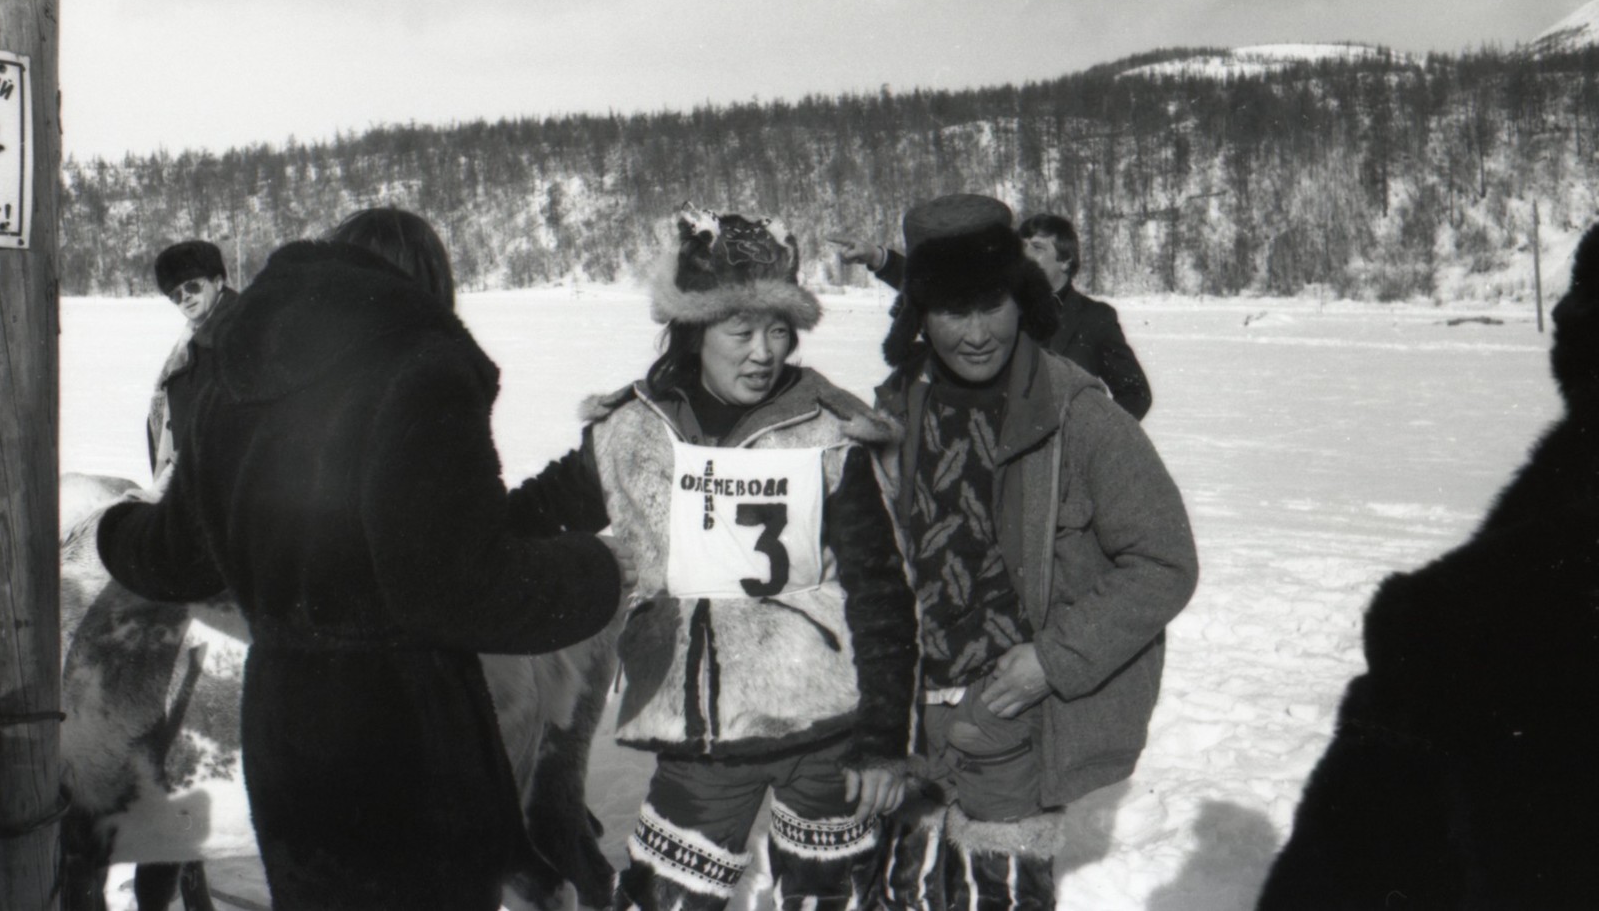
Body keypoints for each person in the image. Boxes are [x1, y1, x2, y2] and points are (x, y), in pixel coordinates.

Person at [95, 207, 628, 911]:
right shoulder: (419, 372)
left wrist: (111, 524)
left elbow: (177, 557)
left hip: (289, 738)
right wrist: (600, 571)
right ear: (426, 285)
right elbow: (458, 586)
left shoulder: (233, 384)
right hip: (405, 739)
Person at [506, 206, 919, 911]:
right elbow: (534, 512)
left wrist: (883, 739)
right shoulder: (633, 432)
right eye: (742, 331)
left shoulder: (828, 428)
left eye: (779, 329)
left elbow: (880, 594)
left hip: (826, 732)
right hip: (698, 744)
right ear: (697, 329)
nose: (764, 352)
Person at [1257, 221, 1599, 909]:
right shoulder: (1566, 473)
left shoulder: (1469, 620)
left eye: (1588, 292)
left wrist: (1430, 639)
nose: (1562, 310)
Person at [869, 194, 1197, 911]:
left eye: (993, 305)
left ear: (1022, 300)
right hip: (911, 714)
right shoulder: (893, 410)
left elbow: (1165, 561)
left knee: (1000, 895)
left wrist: (1053, 659)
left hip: (1013, 710)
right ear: (920, 315)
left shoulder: (1080, 416)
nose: (979, 332)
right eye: (954, 311)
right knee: (903, 894)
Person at [831, 211, 1152, 419]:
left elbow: (1135, 394)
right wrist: (877, 257)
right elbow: (938, 283)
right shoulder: (1005, 298)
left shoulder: (1094, 318)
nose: (1025, 254)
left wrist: (1092, 435)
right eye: (1021, 246)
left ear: (1066, 260)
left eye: (1038, 248)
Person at [146, 239, 238, 486]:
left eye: (193, 286)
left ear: (218, 281)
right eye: (176, 295)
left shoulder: (238, 334)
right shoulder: (193, 339)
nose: (185, 298)